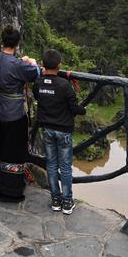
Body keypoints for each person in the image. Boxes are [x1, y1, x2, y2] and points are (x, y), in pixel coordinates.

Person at [0, 24, 41, 202]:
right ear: (17, 43)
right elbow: (36, 74)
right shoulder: (19, 65)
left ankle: (2, 186)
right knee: (15, 151)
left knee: (1, 148)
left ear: (3, 41)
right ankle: (13, 191)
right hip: (14, 113)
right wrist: (32, 62)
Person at [33, 49, 86, 215]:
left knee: (51, 164)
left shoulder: (38, 83)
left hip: (47, 129)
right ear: (59, 65)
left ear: (42, 64)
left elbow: (38, 96)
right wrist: (83, 110)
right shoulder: (65, 86)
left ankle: (55, 199)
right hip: (64, 131)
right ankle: (67, 201)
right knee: (65, 167)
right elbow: (74, 108)